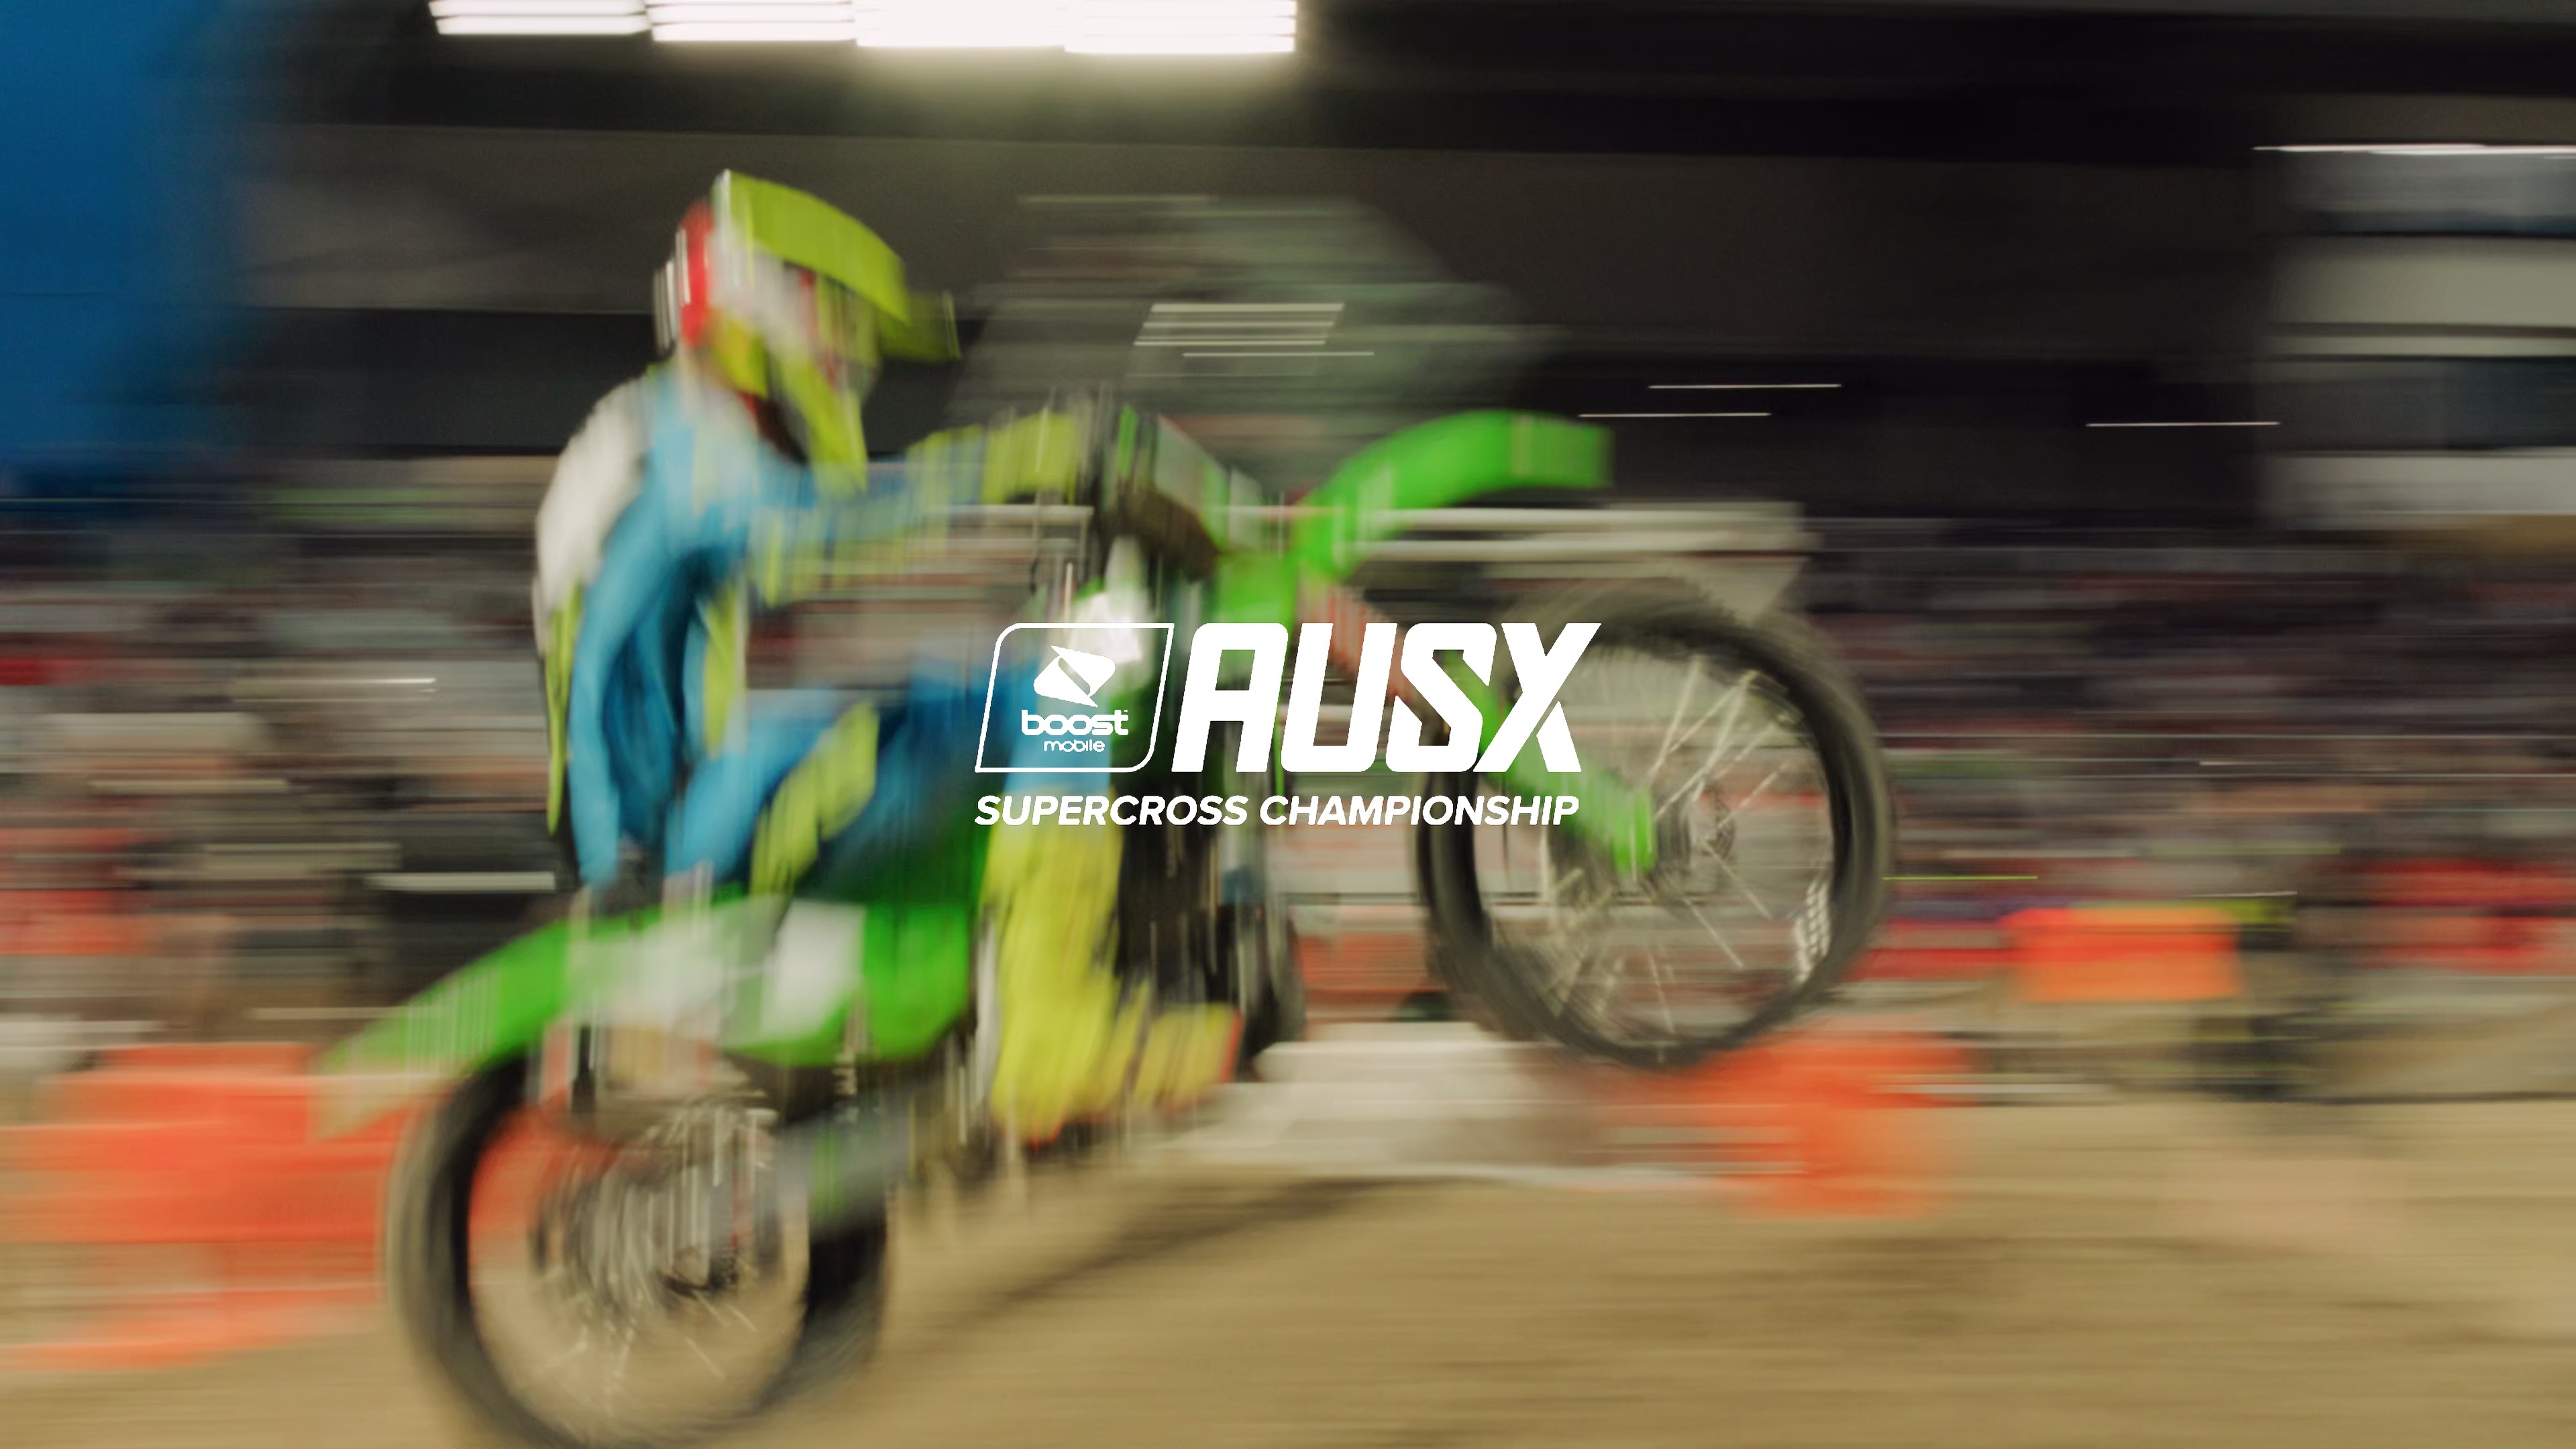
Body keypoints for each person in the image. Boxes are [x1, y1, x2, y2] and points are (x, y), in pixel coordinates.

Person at [532, 173, 1234, 1143]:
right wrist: (1028, 456)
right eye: (836, 330)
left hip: (668, 823)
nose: (846, 365)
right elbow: (817, 527)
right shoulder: (692, 434)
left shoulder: (648, 432)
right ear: (763, 304)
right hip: (692, 832)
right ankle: (1047, 1023)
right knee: (1060, 697)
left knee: (964, 692)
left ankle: (977, 1016)